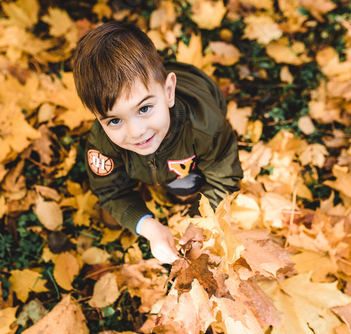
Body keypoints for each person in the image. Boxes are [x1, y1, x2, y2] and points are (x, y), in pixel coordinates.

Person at [72, 21, 243, 264]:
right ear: (98, 118)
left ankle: (180, 178)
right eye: (114, 121)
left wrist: (200, 224)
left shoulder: (205, 128)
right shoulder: (102, 144)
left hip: (198, 90)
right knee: (121, 203)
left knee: (186, 184)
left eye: (145, 108)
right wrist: (148, 227)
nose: (136, 132)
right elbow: (109, 191)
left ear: (169, 92)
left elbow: (224, 176)